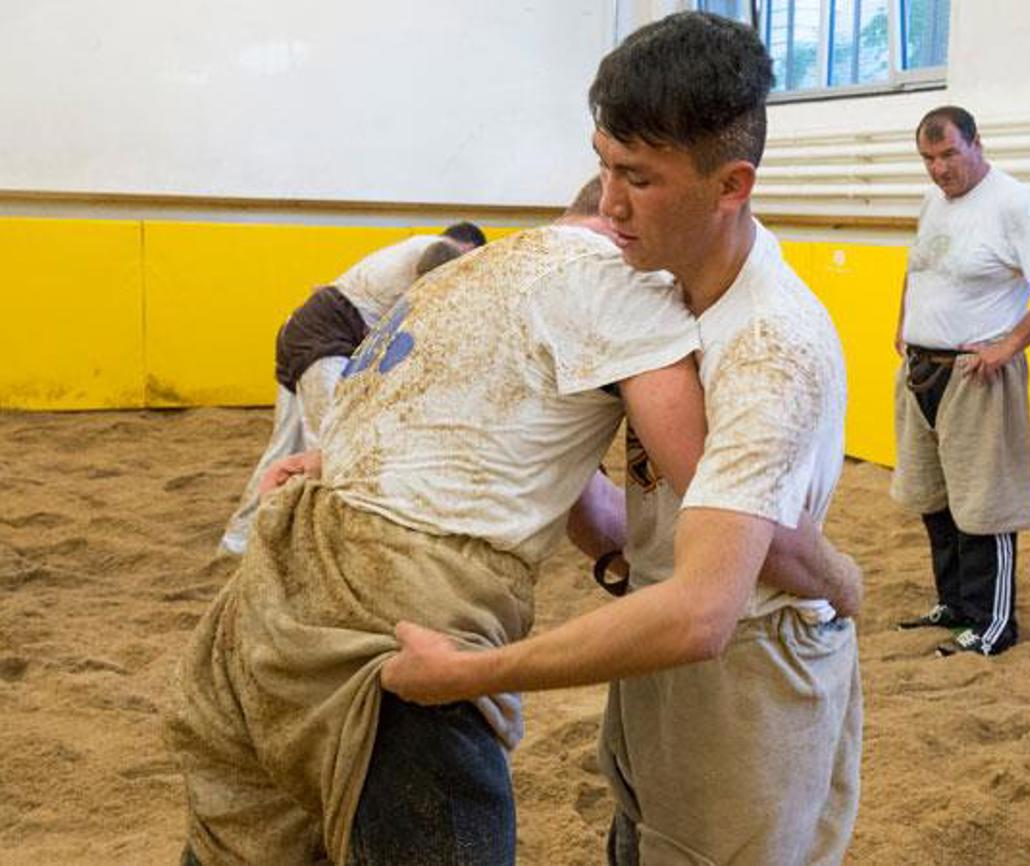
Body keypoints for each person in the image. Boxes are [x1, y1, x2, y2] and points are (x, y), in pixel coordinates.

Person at [167, 179, 852, 866]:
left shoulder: (472, 273)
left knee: (243, 845)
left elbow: (556, 486)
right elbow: (728, 503)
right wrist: (841, 580)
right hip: (400, 611)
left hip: (265, 607)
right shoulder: (618, 281)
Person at [382, 13, 862, 865]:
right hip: (657, 630)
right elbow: (646, 515)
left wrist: (466, 676)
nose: (609, 202)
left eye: (639, 177)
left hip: (743, 658)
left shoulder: (769, 346)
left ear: (731, 185)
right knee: (638, 839)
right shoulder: (658, 296)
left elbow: (705, 613)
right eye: (604, 165)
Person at [892, 105, 1030, 657]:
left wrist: (1008, 345)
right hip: (921, 370)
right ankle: (954, 604)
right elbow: (917, 266)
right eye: (928, 158)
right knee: (934, 499)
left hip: (975, 375)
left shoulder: (1012, 203)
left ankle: (992, 622)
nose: (938, 169)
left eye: (949, 154)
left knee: (984, 504)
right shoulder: (932, 201)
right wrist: (903, 323)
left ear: (977, 145)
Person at [215, 223, 483, 556]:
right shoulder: (439, 252)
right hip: (324, 339)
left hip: (306, 328)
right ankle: (316, 549)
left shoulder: (412, 257)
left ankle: (238, 542)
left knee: (288, 450)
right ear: (467, 249)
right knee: (334, 449)